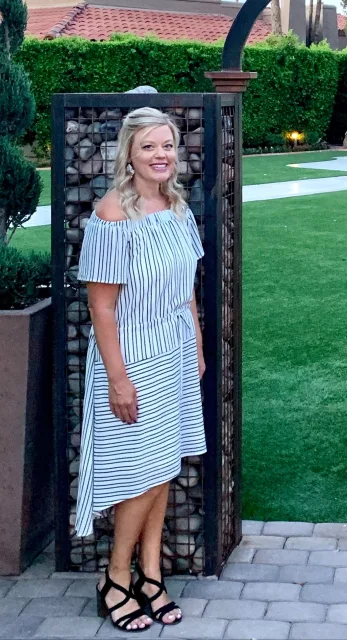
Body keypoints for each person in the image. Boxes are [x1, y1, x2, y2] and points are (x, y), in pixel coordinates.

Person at [76, 107, 207, 632]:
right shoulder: (111, 215)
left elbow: (188, 289)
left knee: (164, 465)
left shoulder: (177, 207)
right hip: (131, 356)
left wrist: (195, 344)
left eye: (168, 146)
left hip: (173, 351)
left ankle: (150, 575)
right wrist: (117, 377)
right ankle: (114, 577)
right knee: (140, 473)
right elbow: (101, 307)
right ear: (129, 153)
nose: (161, 155)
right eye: (149, 146)